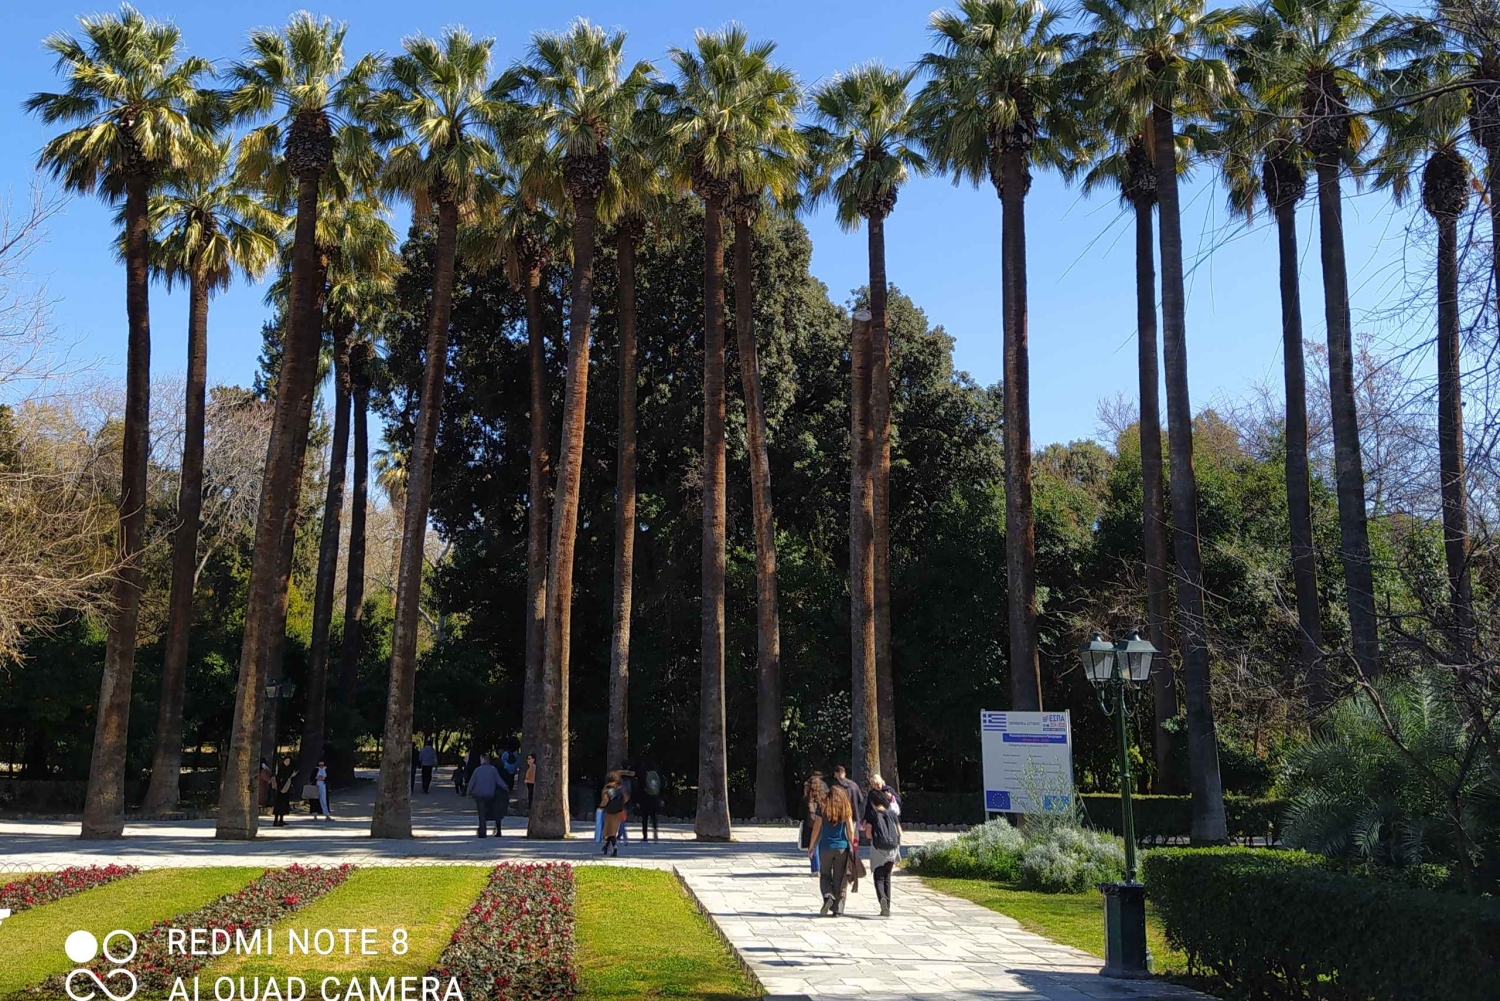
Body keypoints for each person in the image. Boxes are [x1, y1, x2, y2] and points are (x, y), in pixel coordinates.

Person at [807, 784, 856, 916]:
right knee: (839, 879)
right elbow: (851, 830)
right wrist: (855, 846)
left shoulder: (822, 808)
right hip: (842, 847)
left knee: (825, 875)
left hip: (825, 847)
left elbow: (816, 828)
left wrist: (811, 845)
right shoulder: (846, 808)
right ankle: (838, 909)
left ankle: (828, 896)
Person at [863, 787, 901, 917]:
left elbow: (868, 834)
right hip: (892, 849)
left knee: (878, 877)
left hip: (878, 849)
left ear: (873, 802)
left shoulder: (873, 815)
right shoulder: (892, 814)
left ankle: (882, 899)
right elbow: (899, 832)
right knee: (887, 878)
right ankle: (888, 907)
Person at [467, 753, 505, 837]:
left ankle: (483, 832)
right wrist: (506, 788)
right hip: (490, 795)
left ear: (483, 760)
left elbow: (471, 783)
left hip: (479, 795)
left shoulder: (477, 770)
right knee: (493, 811)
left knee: (481, 813)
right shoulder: (493, 770)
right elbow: (499, 781)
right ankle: (497, 830)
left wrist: (468, 792)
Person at [800, 772, 827, 875]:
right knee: (820, 845)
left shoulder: (807, 798)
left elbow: (801, 813)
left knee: (812, 845)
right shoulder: (824, 798)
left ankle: (815, 868)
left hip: (810, 824)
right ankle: (821, 866)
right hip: (822, 823)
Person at [600, 772, 630, 857]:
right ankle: (605, 847)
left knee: (610, 832)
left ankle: (615, 848)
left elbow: (605, 800)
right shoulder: (619, 789)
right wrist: (620, 804)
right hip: (618, 812)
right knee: (613, 830)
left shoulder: (606, 789)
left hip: (609, 812)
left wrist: (601, 806)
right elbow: (626, 798)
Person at [637, 760, 664, 842]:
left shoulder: (644, 774)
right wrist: (661, 798)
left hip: (645, 799)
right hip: (655, 798)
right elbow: (661, 786)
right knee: (654, 816)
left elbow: (640, 788)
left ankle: (645, 836)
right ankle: (655, 834)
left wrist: (638, 800)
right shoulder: (657, 774)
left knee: (645, 818)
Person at [272, 755, 295, 826]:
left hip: (286, 789)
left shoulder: (289, 769)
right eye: (286, 761)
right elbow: (278, 778)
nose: (287, 762)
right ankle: (276, 821)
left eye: (288, 761)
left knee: (284, 805)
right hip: (280, 789)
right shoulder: (281, 769)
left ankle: (281, 820)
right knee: (279, 805)